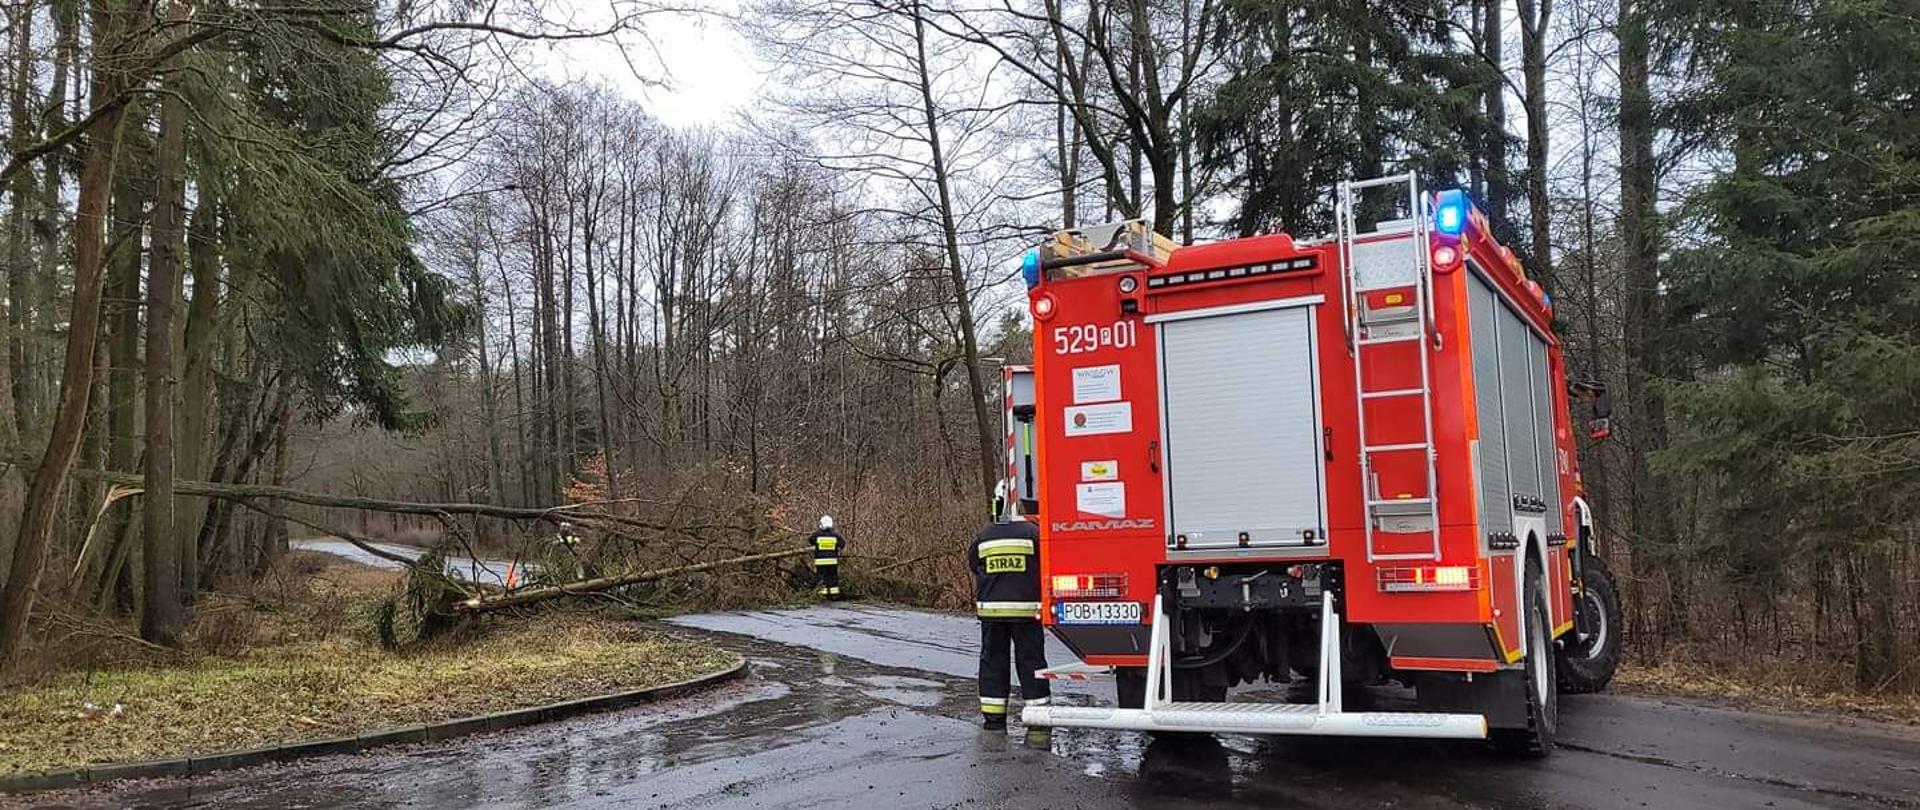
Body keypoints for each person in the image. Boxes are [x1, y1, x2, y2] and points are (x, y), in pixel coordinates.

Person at [970, 492, 1050, 729]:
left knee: (993, 661)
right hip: (1026, 611)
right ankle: (1037, 714)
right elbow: (1046, 562)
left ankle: (994, 715)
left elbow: (974, 563)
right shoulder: (1033, 534)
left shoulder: (984, 535)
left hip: (992, 612)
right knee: (1031, 660)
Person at [810, 515, 845, 599]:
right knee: (833, 576)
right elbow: (842, 543)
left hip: (820, 561)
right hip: (832, 561)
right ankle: (834, 594)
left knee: (821, 577)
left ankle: (822, 594)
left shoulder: (817, 535)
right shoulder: (835, 535)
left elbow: (811, 540)